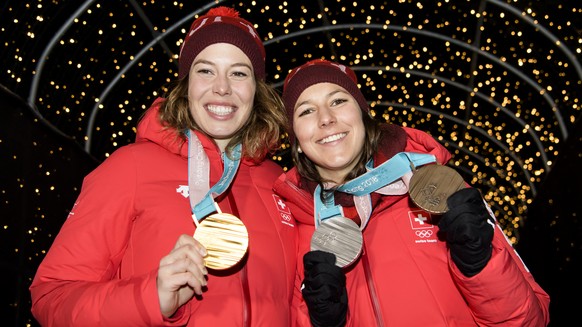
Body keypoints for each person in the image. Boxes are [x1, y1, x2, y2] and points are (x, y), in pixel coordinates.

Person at [30, 7, 297, 326]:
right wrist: (150, 298)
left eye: (239, 73)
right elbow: (51, 298)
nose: (222, 88)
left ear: (257, 88)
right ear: (185, 85)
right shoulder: (131, 167)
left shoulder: (280, 183)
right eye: (205, 70)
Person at [274, 59, 550, 326]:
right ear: (296, 140)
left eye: (338, 100)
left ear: (364, 114)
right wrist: (323, 322)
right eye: (306, 111)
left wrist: (479, 265)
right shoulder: (295, 227)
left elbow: (531, 320)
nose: (326, 119)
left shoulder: (438, 190)